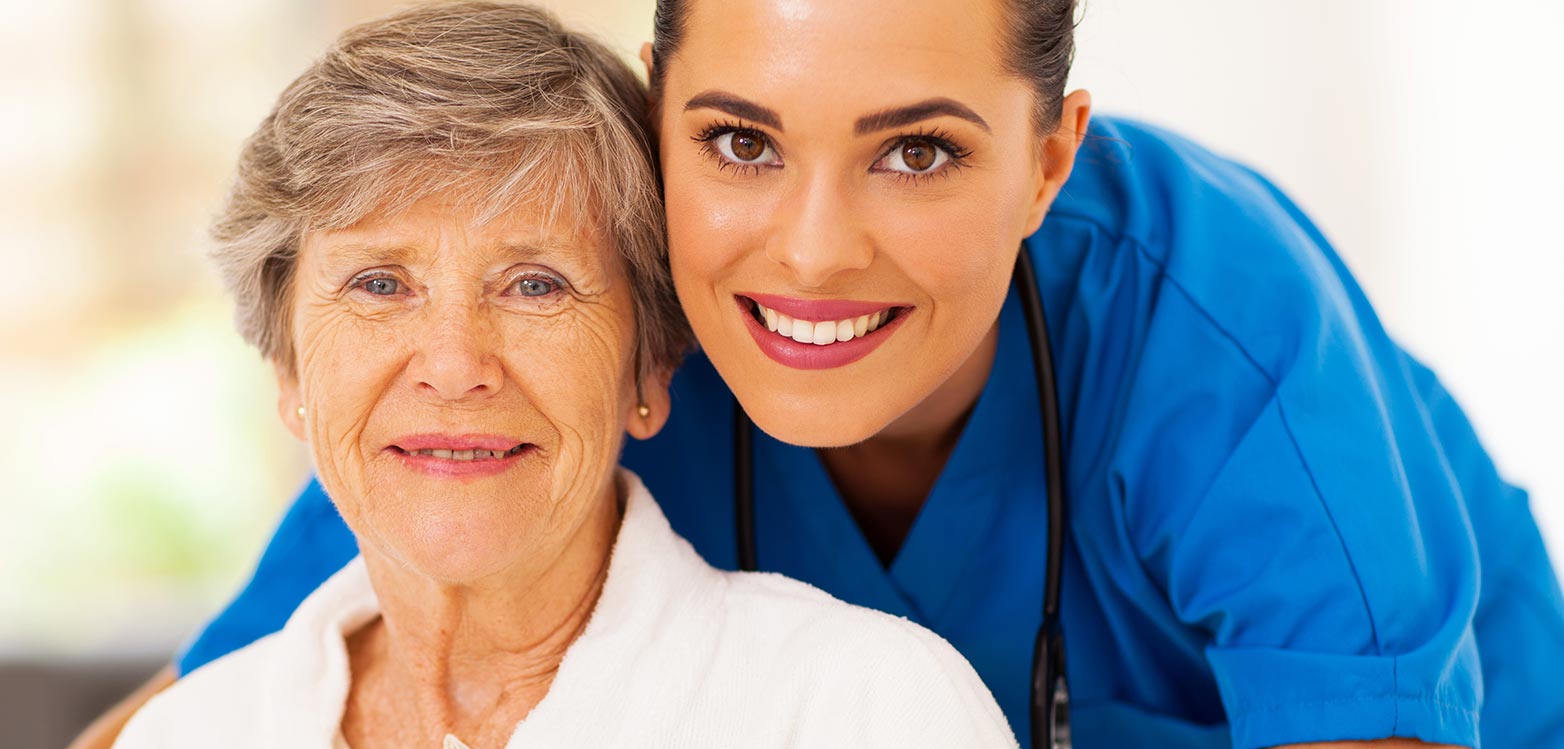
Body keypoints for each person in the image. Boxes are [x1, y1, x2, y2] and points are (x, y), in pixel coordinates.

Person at [76, 0, 1564, 747]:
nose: (811, 249)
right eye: (739, 141)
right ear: (664, 119)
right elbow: (235, 690)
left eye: (918, 151)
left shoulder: (1211, 330)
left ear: (1051, 157)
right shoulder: (571, 345)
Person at [108, 4, 1019, 747]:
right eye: (380, 283)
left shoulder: (862, 710)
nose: (455, 365)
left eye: (536, 284)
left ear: (649, 368)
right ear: (287, 367)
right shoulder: (192, 731)